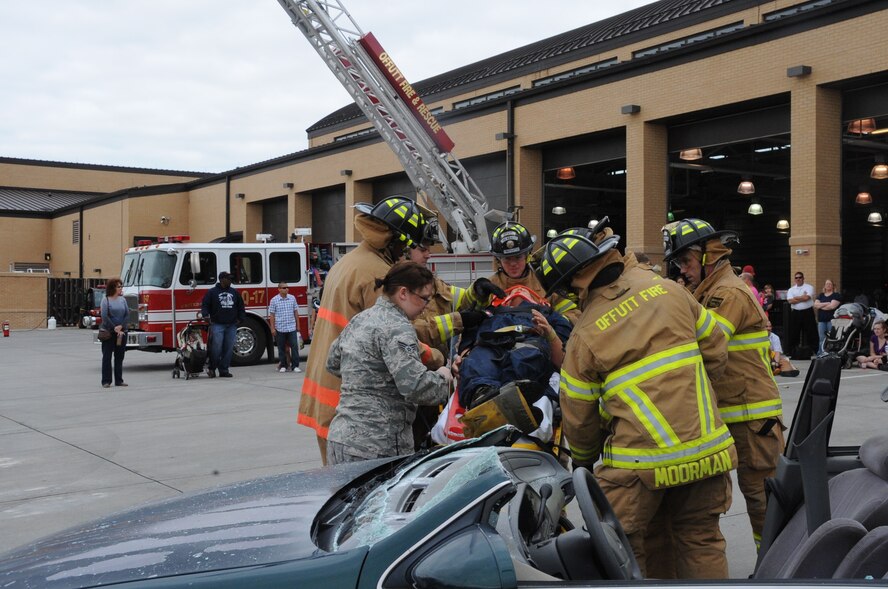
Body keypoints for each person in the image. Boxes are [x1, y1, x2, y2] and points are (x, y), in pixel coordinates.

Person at [537, 230, 734, 578]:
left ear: (573, 286)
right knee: (701, 540)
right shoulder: (671, 290)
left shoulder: (584, 335)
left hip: (640, 468)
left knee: (627, 547)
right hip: (706, 451)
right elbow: (716, 347)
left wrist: (583, 463)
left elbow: (579, 420)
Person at [663, 218, 783, 551]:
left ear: (709, 256)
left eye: (685, 262)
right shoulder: (705, 291)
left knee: (761, 499)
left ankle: (775, 568)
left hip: (750, 417)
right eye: (677, 264)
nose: (682, 270)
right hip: (727, 413)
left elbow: (705, 342)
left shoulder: (727, 293)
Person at [298, 196, 428, 465]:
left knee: (338, 491)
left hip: (326, 396)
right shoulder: (377, 275)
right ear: (394, 239)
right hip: (355, 410)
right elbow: (396, 339)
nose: (407, 252)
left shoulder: (350, 261)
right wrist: (438, 360)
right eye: (406, 245)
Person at [325, 262, 453, 465]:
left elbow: (333, 362)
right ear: (403, 293)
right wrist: (445, 378)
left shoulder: (361, 319)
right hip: (377, 446)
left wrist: (372, 380)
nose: (425, 307)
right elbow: (415, 387)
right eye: (423, 299)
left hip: (341, 439)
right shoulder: (397, 327)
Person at [200, 271, 246, 378]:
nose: (230, 281)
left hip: (232, 325)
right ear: (222, 280)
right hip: (217, 324)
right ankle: (212, 368)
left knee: (229, 348)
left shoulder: (234, 292)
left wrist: (241, 319)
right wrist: (205, 315)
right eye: (228, 279)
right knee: (216, 348)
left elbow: (241, 307)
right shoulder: (212, 292)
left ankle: (224, 370)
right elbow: (205, 305)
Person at [100, 278, 129, 388]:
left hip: (121, 333)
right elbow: (104, 316)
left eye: (121, 286)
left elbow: (127, 314)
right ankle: (106, 381)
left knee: (119, 356)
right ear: (112, 288)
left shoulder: (123, 300)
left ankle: (119, 380)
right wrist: (114, 327)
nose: (121, 288)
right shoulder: (105, 300)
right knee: (107, 356)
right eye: (118, 286)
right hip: (109, 333)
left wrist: (121, 326)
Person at [268, 282, 302, 373]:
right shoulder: (274, 300)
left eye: (287, 287)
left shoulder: (292, 298)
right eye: (284, 288)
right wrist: (272, 328)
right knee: (281, 347)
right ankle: (283, 365)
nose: (286, 289)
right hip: (280, 327)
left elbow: (295, 312)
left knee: (294, 347)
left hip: (291, 327)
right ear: (279, 289)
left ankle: (295, 366)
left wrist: (298, 326)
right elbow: (272, 315)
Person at [786, 271, 818, 359]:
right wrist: (801, 298)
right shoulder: (791, 289)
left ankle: (814, 350)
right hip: (796, 312)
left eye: (800, 277)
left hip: (808, 312)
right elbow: (790, 301)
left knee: (811, 331)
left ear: (803, 278)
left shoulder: (809, 287)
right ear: (794, 279)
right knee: (794, 332)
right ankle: (792, 351)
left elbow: (807, 298)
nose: (798, 279)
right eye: (796, 278)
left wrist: (796, 297)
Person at [813, 279, 841, 353]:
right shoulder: (821, 295)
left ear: (833, 286)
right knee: (822, 338)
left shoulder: (836, 295)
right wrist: (827, 303)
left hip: (831, 320)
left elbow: (832, 307)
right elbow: (815, 305)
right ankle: (821, 354)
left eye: (830, 284)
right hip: (821, 321)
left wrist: (821, 305)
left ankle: (830, 354)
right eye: (826, 284)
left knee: (831, 338)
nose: (828, 285)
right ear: (824, 286)